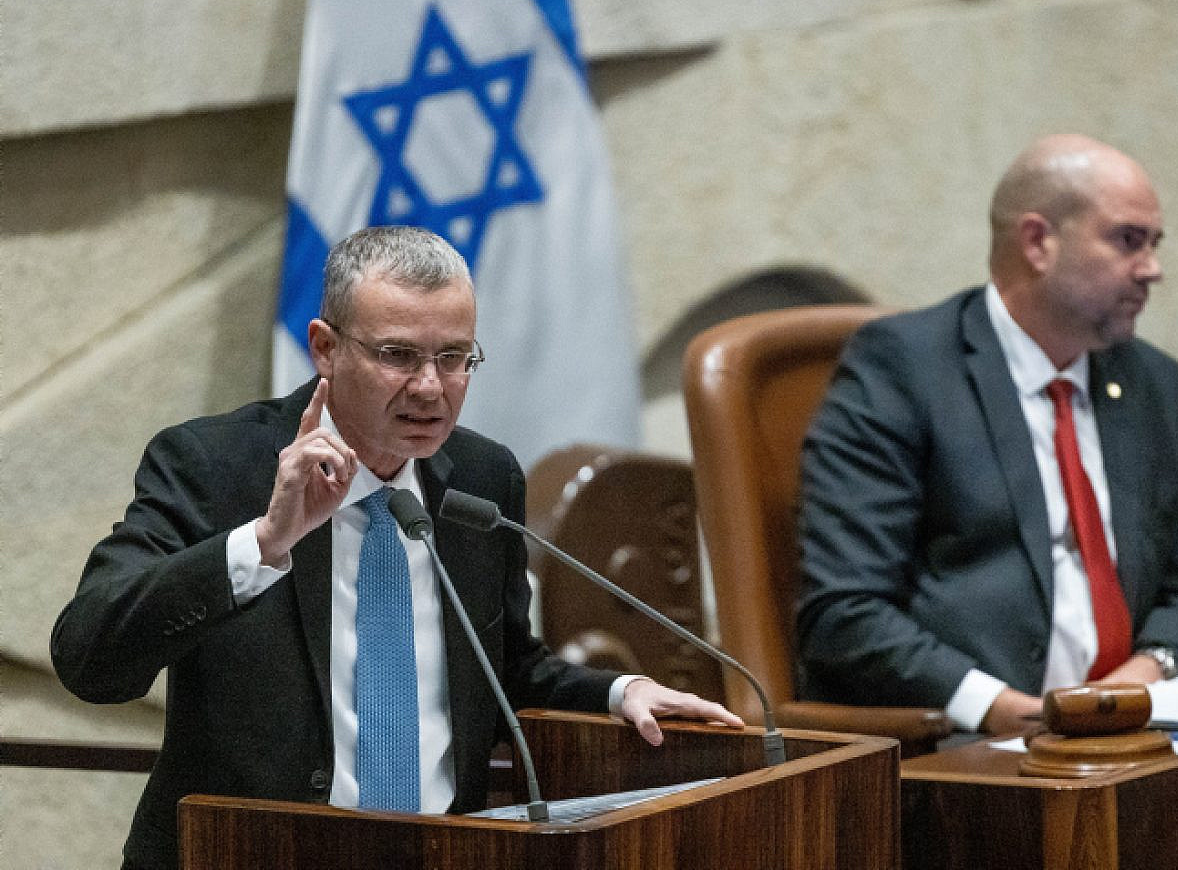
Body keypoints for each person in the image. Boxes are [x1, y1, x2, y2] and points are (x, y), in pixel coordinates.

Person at [51, 226, 741, 870]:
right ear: (325, 347)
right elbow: (90, 658)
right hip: (249, 851)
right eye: (398, 355)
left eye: (453, 357)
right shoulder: (214, 465)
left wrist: (622, 690)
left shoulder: (481, 478)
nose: (431, 388)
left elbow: (503, 667)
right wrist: (263, 543)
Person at [795, 134, 1178, 737]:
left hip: (1135, 736)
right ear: (1038, 242)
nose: (1152, 269)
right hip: (970, 748)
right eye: (1128, 240)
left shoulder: (1150, 380)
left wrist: (1152, 671)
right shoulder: (902, 370)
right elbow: (843, 613)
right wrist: (996, 707)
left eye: (1154, 244)